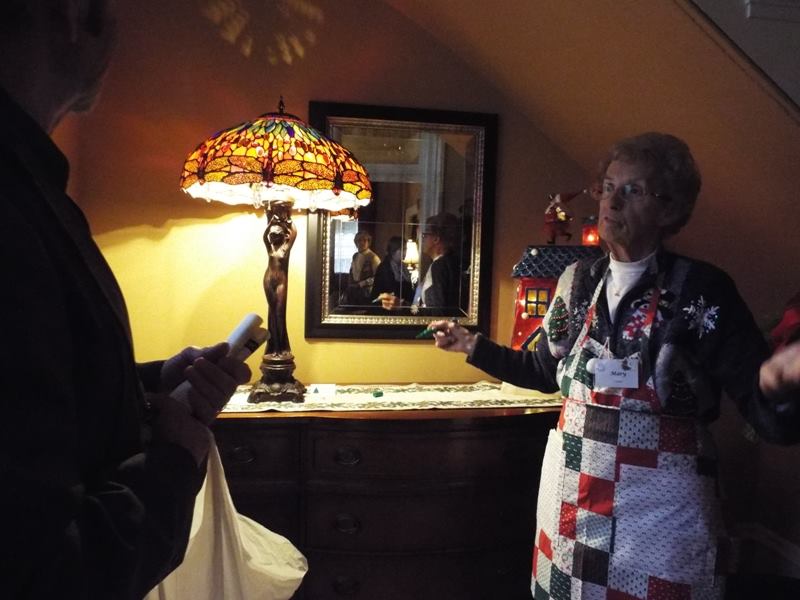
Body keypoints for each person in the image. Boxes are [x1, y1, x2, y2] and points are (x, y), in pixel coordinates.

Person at [429, 132, 800, 599]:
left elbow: (770, 418)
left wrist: (778, 382)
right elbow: (544, 373)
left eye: (633, 190)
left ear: (670, 209)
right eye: (608, 187)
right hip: (573, 502)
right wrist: (473, 346)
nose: (612, 201)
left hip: (664, 517)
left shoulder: (703, 290)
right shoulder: (576, 281)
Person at [0, 2, 251, 598]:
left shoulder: (32, 186)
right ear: (74, 18)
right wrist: (175, 460)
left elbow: (38, 394)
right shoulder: (14, 212)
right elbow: (47, 571)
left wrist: (151, 382)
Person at [411, 212, 462, 310]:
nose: (422, 239)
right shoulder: (452, 261)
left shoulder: (439, 266)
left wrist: (401, 306)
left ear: (436, 239)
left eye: (425, 235)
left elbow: (436, 312)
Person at [371, 236, 414, 307]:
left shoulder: (403, 267)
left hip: (401, 305)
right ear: (393, 251)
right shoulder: (385, 267)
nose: (405, 252)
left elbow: (408, 289)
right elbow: (390, 291)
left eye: (405, 249)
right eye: (402, 249)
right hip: (385, 306)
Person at [344, 229, 380, 305]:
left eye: (364, 240)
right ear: (356, 243)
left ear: (368, 242)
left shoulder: (373, 258)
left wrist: (362, 283)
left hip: (367, 292)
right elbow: (352, 272)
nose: (362, 243)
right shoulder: (355, 256)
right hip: (353, 291)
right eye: (359, 240)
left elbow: (378, 277)